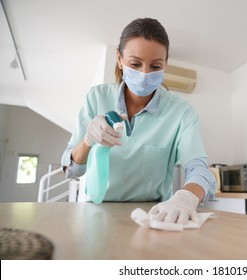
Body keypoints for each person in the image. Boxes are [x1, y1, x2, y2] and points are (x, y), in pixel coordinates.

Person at [61, 17, 215, 225]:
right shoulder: (96, 97)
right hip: (96, 214)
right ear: (119, 58)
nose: (144, 74)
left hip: (153, 217)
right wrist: (88, 140)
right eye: (135, 63)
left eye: (155, 66)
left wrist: (185, 198)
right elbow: (72, 170)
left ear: (165, 64)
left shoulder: (181, 112)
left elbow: (198, 169)